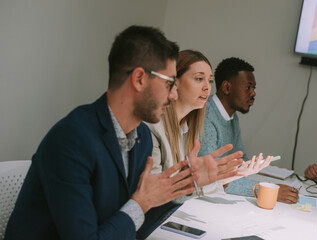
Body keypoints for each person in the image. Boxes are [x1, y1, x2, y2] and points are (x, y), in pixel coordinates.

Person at [5, 26, 224, 240]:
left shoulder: (141, 138)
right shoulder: (71, 140)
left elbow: (134, 229)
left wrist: (185, 185)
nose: (174, 95)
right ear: (139, 79)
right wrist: (141, 203)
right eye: (169, 83)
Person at [146, 50, 270, 198]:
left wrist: (237, 173)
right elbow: (155, 196)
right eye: (199, 79)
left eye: (210, 81)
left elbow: (194, 187)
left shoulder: (187, 127)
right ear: (174, 82)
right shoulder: (153, 127)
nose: (207, 87)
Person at [198, 57, 299, 204]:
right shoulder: (206, 117)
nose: (253, 93)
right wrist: (265, 190)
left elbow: (242, 161)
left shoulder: (232, 117)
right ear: (227, 87)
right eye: (248, 87)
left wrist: (262, 172)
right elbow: (213, 178)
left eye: (254, 88)